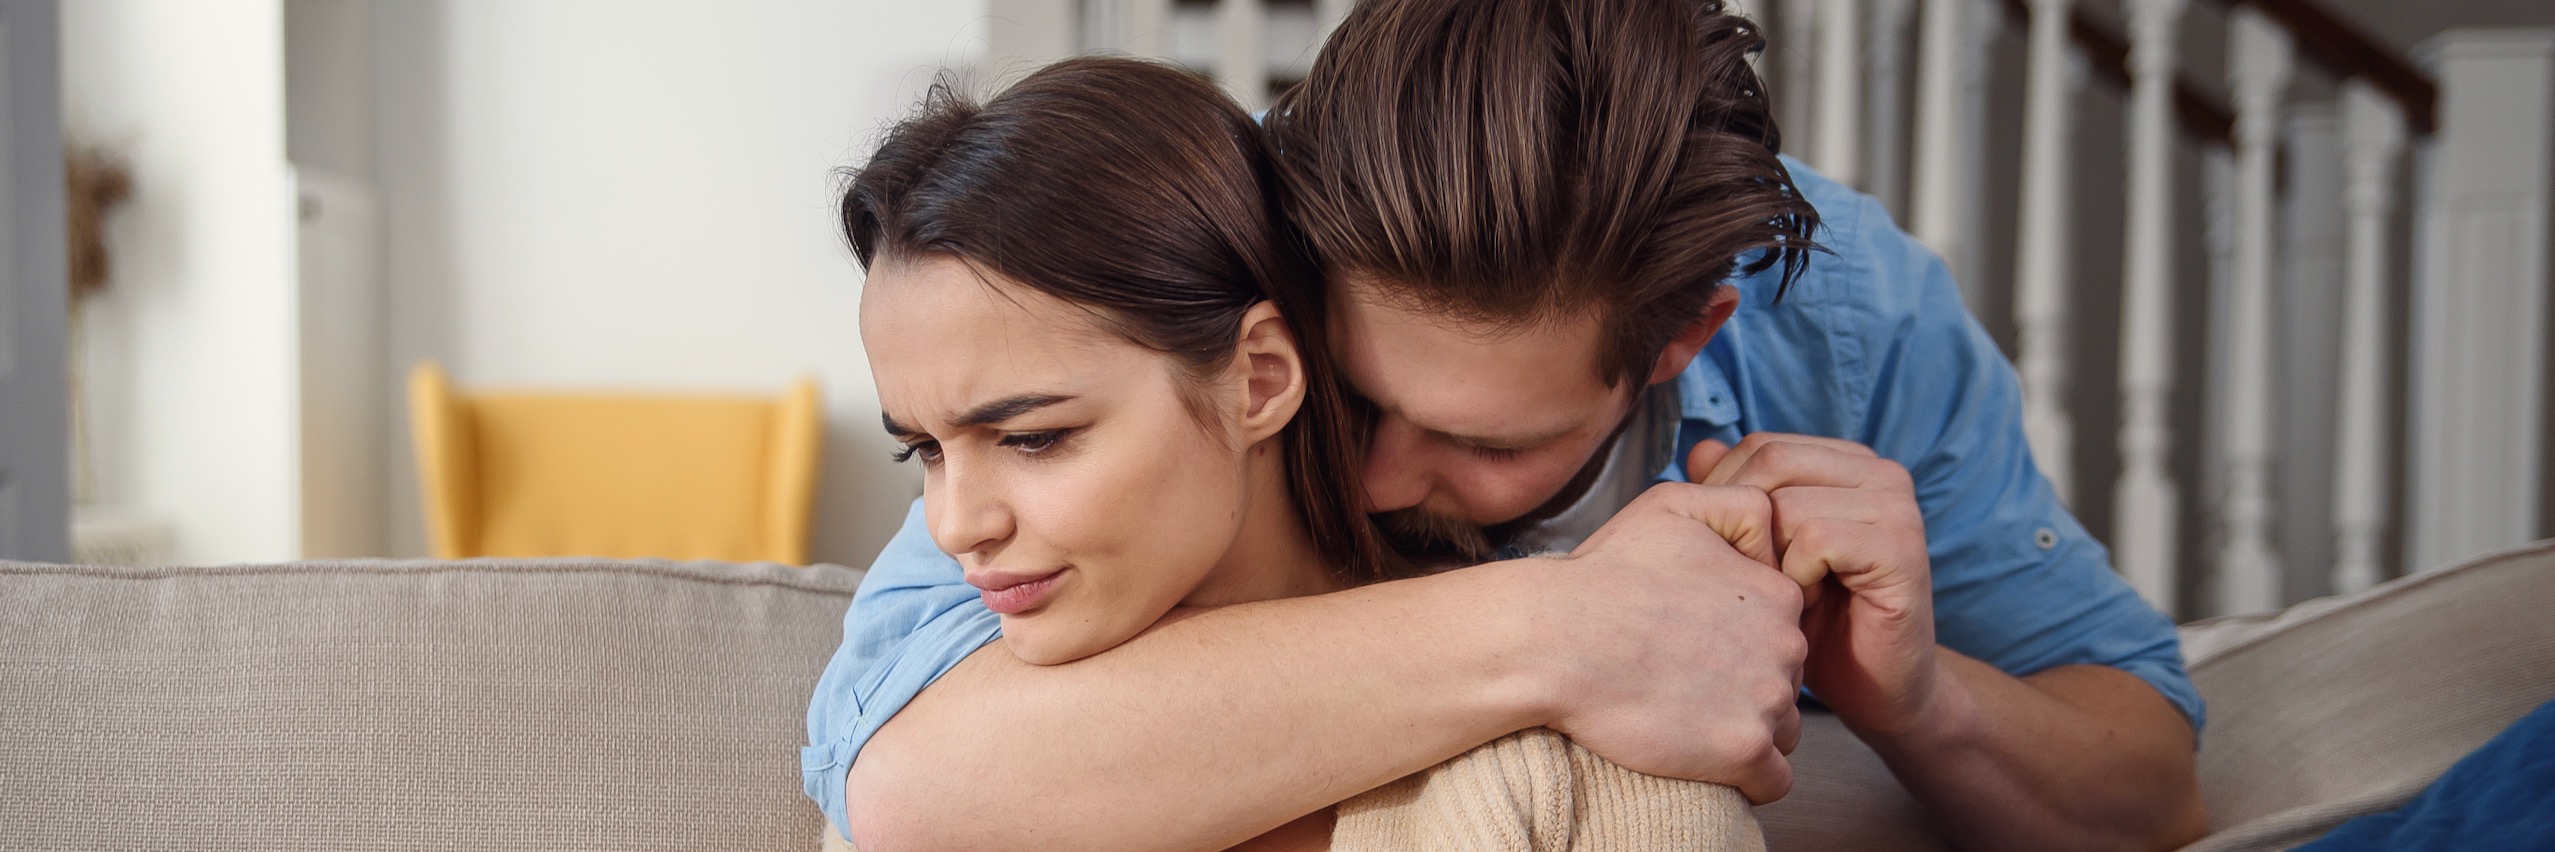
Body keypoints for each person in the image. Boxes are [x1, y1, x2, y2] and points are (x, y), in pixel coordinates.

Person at [807, 1, 2209, 849]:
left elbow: (2143, 790)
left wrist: (1915, 701)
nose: (1373, 469)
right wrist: (1582, 627)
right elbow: (920, 782)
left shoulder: (1843, 321)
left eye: (1481, 443)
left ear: (1676, 346)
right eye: (1354, 395)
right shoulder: (1187, 232)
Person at [826, 55, 1769, 850]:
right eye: (924, 452)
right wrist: (1572, 625)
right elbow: (906, 791)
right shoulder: (937, 694)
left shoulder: (1598, 759)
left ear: (1262, 380)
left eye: (1034, 438)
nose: (954, 527)